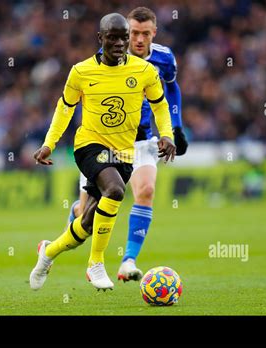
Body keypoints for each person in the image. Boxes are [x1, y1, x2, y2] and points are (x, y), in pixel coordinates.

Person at [30, 13, 176, 291]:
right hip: (89, 146)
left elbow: (160, 105)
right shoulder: (81, 71)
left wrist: (167, 134)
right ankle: (95, 263)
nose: (120, 43)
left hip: (125, 153)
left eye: (124, 37)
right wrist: (50, 143)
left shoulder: (145, 71)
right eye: (113, 37)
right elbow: (65, 108)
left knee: (87, 222)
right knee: (116, 191)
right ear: (101, 39)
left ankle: (48, 253)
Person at [67, 7, 188, 282]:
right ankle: (74, 215)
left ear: (154, 33)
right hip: (102, 142)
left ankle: (128, 261)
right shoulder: (111, 57)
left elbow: (172, 88)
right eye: (134, 33)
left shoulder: (165, 59)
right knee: (86, 217)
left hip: (143, 140)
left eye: (146, 33)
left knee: (145, 190)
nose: (139, 39)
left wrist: (176, 128)